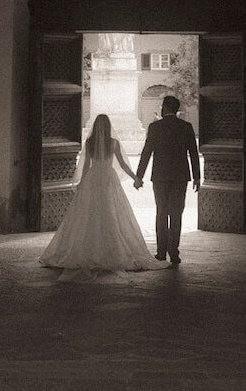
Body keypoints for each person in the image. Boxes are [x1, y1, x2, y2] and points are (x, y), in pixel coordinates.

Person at [39, 113, 162, 274]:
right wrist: (136, 178)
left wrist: (82, 182)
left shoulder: (90, 143)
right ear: (108, 127)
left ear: (95, 127)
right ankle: (110, 249)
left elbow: (85, 166)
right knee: (111, 213)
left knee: (90, 214)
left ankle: (90, 249)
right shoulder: (113, 143)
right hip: (108, 179)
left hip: (93, 177)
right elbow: (123, 165)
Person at [134, 94, 200, 264]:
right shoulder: (186, 127)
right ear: (177, 109)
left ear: (164, 108)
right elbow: (193, 153)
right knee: (176, 214)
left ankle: (161, 252)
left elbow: (146, 152)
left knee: (161, 213)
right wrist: (197, 177)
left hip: (160, 176)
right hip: (180, 177)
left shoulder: (155, 127)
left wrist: (139, 176)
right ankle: (174, 252)